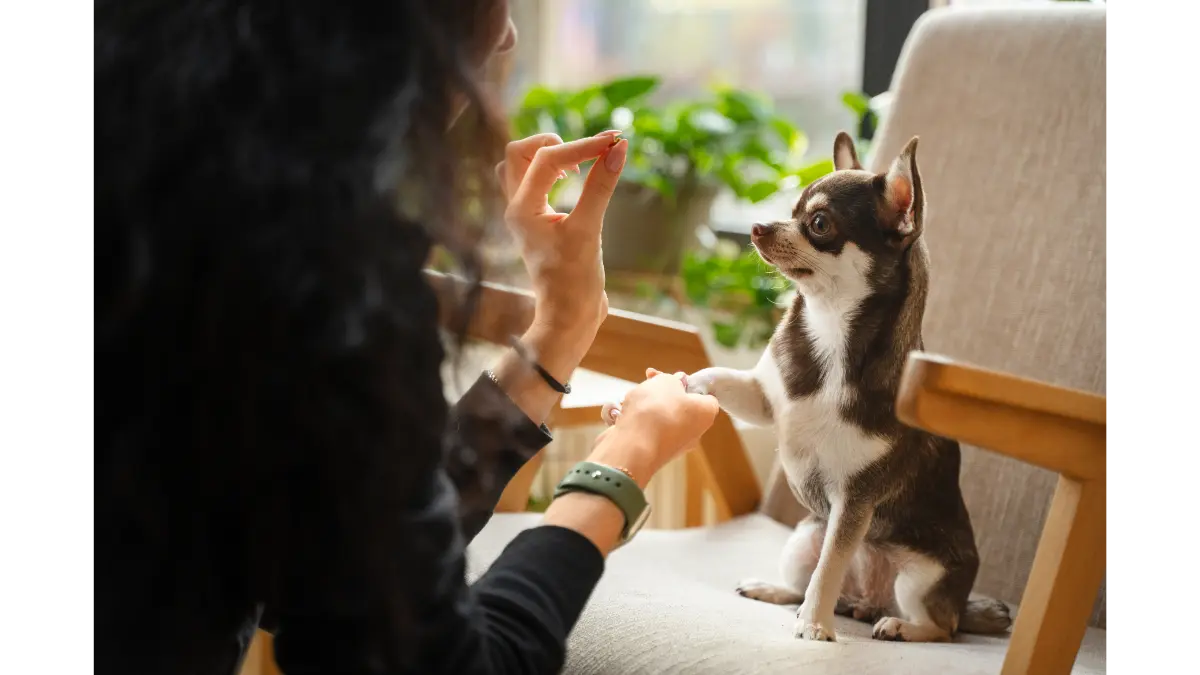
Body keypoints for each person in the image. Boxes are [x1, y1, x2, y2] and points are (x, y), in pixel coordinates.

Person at [88, 1, 721, 674]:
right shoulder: (307, 265)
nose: (505, 33)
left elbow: (343, 550)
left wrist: (558, 333)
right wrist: (622, 462)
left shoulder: (164, 194)